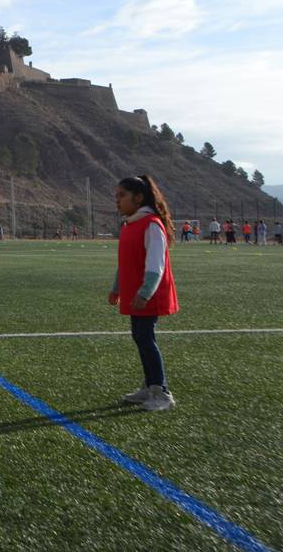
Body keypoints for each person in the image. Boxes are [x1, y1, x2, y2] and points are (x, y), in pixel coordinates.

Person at [108, 175, 179, 412]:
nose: (117, 201)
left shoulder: (151, 225)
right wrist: (117, 288)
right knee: (140, 337)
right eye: (116, 196)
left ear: (138, 198)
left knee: (145, 338)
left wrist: (145, 292)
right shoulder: (130, 225)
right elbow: (125, 263)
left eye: (122, 195)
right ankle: (150, 386)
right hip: (135, 294)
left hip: (148, 295)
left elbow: (156, 265)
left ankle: (162, 392)